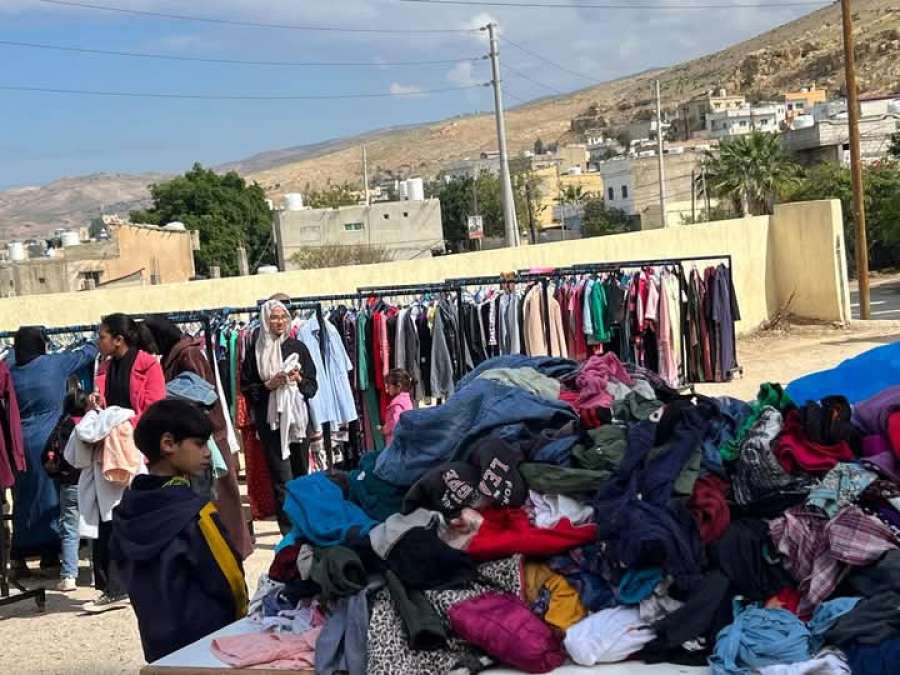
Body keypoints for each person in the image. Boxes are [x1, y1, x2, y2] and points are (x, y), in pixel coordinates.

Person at [110, 399, 248, 663]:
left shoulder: (126, 511)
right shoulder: (196, 513)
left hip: (157, 645)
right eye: (199, 444)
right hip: (210, 644)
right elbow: (231, 581)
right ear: (168, 444)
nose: (207, 453)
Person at [141, 316, 253, 559]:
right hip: (196, 437)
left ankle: (228, 550)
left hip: (204, 437)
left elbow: (201, 396)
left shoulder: (188, 355)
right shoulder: (177, 354)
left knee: (213, 500)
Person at [87, 313, 166, 611]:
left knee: (137, 517)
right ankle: (115, 586)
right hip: (113, 452)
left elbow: (154, 408)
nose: (99, 341)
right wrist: (99, 407)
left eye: (103, 336)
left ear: (118, 339)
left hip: (138, 451)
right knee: (112, 519)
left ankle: (129, 584)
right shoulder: (105, 367)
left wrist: (122, 423)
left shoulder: (148, 365)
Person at [7, 326, 98, 583]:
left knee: (23, 499)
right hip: (50, 442)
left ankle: (18, 558)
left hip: (19, 443)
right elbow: (85, 355)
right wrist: (96, 338)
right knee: (51, 499)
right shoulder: (54, 364)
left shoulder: (10, 370)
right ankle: (49, 557)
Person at [240, 299, 317, 534]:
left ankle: (308, 527)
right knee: (282, 479)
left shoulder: (298, 348)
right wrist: (269, 385)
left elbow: (312, 387)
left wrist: (298, 379)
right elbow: (247, 390)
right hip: (272, 425)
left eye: (283, 317)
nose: (279, 322)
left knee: (302, 475)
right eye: (274, 317)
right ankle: (289, 533)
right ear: (265, 320)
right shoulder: (256, 351)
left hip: (298, 423)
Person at [41, 389, 89, 592]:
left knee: (70, 530)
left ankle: (69, 576)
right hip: (91, 483)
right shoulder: (92, 425)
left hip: (69, 484)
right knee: (93, 529)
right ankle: (97, 574)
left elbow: (46, 454)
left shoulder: (62, 426)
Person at [382, 368, 413, 447]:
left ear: (398, 386)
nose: (387, 388)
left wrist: (385, 429)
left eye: (389, 385)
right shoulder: (406, 399)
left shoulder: (397, 405)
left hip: (396, 445)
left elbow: (395, 423)